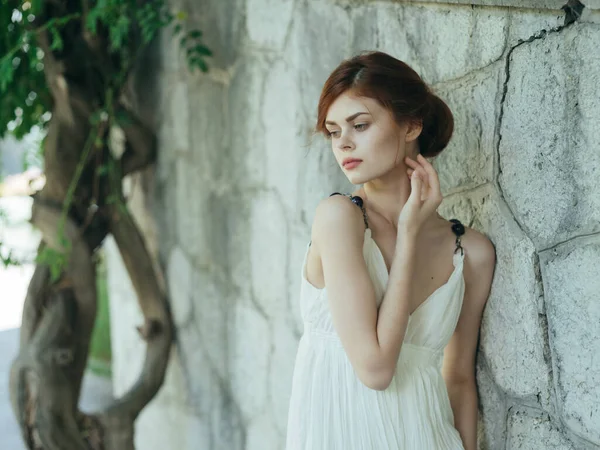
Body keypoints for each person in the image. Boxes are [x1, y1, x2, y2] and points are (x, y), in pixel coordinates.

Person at [285, 51, 496, 450]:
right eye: (333, 131)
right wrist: (409, 237)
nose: (343, 142)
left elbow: (458, 379)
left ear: (411, 125)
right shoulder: (339, 219)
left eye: (359, 125)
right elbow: (376, 369)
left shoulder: (472, 252)